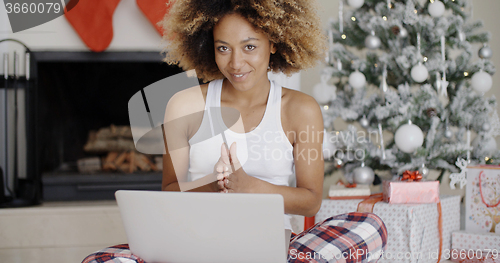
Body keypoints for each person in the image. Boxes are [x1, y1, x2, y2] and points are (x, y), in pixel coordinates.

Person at [82, 1, 387, 262]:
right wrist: (214, 186)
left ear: (274, 44)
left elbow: (310, 200)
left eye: (250, 47)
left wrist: (249, 186)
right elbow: (171, 189)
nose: (236, 63)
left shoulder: (300, 109)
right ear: (208, 47)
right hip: (193, 241)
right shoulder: (184, 105)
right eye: (223, 48)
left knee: (370, 227)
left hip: (268, 246)